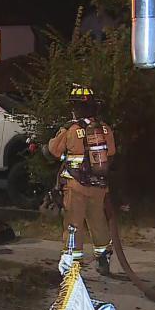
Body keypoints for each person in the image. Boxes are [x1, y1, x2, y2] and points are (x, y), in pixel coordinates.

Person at [46, 84, 116, 276]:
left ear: (75, 107)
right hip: (99, 186)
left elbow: (53, 151)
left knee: (73, 224)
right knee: (98, 222)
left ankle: (72, 264)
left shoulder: (71, 129)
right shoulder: (104, 129)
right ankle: (103, 258)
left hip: (75, 187)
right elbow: (111, 153)